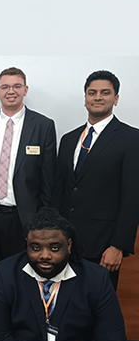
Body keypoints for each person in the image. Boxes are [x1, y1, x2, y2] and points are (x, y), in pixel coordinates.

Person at [0, 67, 57, 314]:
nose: (11, 91)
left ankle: (12, 332)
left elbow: (49, 181)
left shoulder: (43, 125)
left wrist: (44, 223)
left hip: (22, 220)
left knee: (19, 280)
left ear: (25, 90)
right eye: (5, 87)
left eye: (17, 86)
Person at [0, 208, 127, 341]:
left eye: (54, 248)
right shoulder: (5, 273)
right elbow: (0, 336)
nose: (44, 255)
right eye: (35, 248)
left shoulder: (95, 278)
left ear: (69, 245)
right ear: (26, 245)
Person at [54, 70, 139, 289]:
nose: (97, 97)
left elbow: (132, 196)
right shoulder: (69, 139)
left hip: (103, 247)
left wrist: (118, 246)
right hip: (65, 243)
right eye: (92, 92)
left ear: (116, 99)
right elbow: (60, 189)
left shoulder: (131, 139)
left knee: (97, 309)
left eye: (105, 92)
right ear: (85, 99)